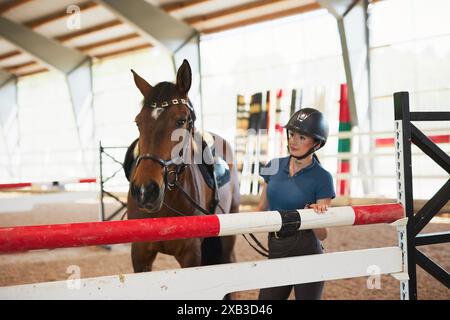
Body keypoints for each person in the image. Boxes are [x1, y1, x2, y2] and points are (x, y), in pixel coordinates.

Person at [257, 107, 335, 300]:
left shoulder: (323, 178)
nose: (293, 141)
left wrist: (313, 215)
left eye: (302, 137)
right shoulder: (273, 166)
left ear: (316, 143)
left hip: (307, 251)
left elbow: (323, 235)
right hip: (276, 247)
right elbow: (261, 209)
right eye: (292, 134)